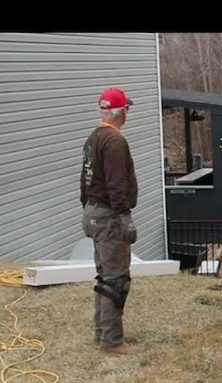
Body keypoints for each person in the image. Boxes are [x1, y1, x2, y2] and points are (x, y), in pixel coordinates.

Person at [81, 86, 140, 355]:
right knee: (116, 279)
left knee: (104, 277)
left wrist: (88, 210)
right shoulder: (115, 142)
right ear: (121, 112)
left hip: (94, 213)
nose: (127, 113)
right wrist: (124, 217)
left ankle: (101, 333)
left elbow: (85, 179)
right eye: (126, 108)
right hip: (109, 216)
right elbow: (117, 184)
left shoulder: (94, 137)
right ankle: (112, 341)